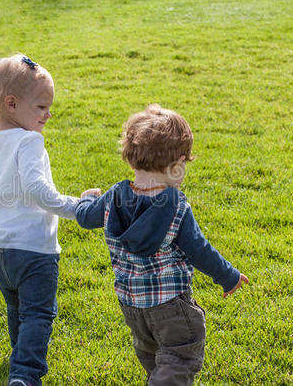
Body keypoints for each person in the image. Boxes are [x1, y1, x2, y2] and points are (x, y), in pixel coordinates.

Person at [75, 104, 249, 386]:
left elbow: (84, 217)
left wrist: (86, 198)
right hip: (171, 306)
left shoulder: (113, 198)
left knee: (153, 358)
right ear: (178, 163)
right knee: (180, 358)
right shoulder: (175, 206)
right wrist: (228, 276)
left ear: (131, 160)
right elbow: (199, 249)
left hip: (132, 306)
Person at [0, 54, 83, 386]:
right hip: (34, 250)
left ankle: (19, 354)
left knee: (16, 309)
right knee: (39, 314)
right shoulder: (29, 141)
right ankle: (25, 375)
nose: (48, 114)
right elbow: (37, 189)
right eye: (41, 107)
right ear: (12, 104)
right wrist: (76, 207)